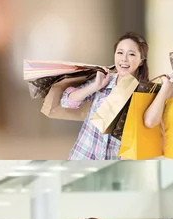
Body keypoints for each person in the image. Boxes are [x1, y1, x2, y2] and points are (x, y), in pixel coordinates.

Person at [61, 32, 149, 160]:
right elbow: (66, 101)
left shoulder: (144, 94)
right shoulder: (104, 80)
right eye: (120, 53)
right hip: (83, 157)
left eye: (131, 54)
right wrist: (95, 87)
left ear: (141, 60)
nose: (124, 59)